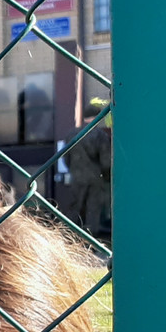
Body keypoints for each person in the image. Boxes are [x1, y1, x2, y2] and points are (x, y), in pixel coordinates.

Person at [62, 100, 112, 242]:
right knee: (92, 210)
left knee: (75, 208)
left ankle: (70, 239)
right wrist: (106, 177)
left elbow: (65, 158)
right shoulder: (99, 135)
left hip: (76, 177)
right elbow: (106, 161)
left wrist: (73, 170)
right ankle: (90, 242)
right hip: (96, 178)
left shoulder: (71, 134)